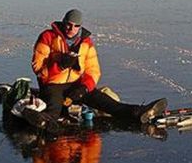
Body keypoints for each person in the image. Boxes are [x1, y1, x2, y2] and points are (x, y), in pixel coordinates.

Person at [32, 9, 167, 124]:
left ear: (80, 26)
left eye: (76, 26)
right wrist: (59, 65)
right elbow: (38, 69)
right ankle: (45, 123)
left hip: (75, 84)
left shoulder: (86, 42)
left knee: (107, 103)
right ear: (63, 22)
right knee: (53, 111)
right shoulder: (48, 37)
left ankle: (138, 112)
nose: (71, 29)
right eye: (69, 24)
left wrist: (84, 88)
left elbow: (93, 70)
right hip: (52, 85)